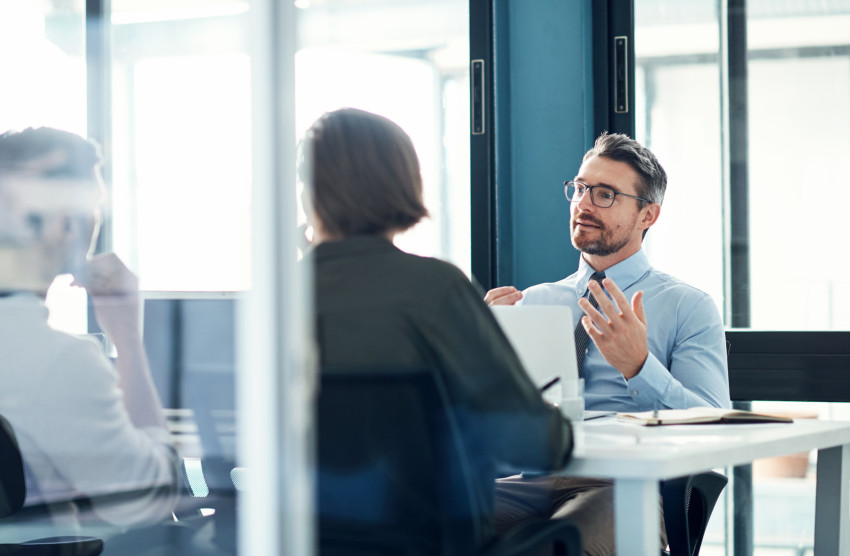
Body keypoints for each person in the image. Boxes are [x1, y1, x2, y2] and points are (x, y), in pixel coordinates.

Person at [302, 107, 573, 547]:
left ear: (308, 193)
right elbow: (533, 443)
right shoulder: (434, 290)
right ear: (400, 184)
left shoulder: (273, 302)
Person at [485, 132, 731, 555]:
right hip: (532, 479)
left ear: (647, 216)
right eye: (579, 189)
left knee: (560, 546)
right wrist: (476, 349)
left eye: (604, 195)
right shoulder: (534, 302)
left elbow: (714, 426)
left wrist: (639, 366)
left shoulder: (687, 306)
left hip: (627, 483)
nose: (582, 204)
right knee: (409, 523)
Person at [0, 127, 180, 534]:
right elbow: (148, 503)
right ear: (63, 223)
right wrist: (129, 342)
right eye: (93, 207)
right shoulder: (57, 361)